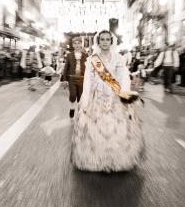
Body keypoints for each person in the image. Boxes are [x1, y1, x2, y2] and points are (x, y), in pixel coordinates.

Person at [71, 30, 144, 172]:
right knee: (95, 129)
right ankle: (97, 159)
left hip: (114, 97)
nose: (105, 42)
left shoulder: (118, 58)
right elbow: (88, 80)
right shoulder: (93, 59)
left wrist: (125, 94)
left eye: (107, 40)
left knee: (117, 128)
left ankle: (115, 159)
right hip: (97, 97)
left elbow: (124, 77)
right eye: (102, 39)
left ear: (111, 41)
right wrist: (85, 99)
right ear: (98, 42)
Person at [62, 36, 88, 118]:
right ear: (73, 45)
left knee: (80, 97)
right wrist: (65, 80)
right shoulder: (69, 55)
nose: (77, 45)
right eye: (75, 43)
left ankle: (80, 112)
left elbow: (88, 68)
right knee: (73, 95)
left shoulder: (86, 55)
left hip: (82, 79)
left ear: (81, 44)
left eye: (79, 43)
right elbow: (66, 68)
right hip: (72, 78)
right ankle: (72, 108)